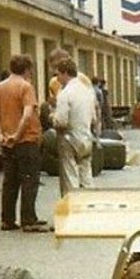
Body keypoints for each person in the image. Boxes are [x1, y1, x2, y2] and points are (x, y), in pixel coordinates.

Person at [0, 54, 47, 232]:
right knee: (29, 180)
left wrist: (1, 135)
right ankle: (28, 219)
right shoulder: (25, 87)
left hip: (7, 142)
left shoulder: (0, 87)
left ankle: (7, 219)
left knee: (10, 182)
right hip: (26, 140)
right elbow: (27, 114)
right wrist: (17, 134)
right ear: (28, 69)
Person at [53, 57, 99, 196]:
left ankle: (72, 207)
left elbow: (61, 121)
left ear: (65, 73)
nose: (57, 78)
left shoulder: (65, 93)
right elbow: (94, 118)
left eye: (58, 74)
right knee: (86, 175)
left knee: (70, 176)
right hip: (86, 137)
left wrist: (52, 118)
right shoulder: (88, 91)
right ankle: (89, 204)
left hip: (69, 139)